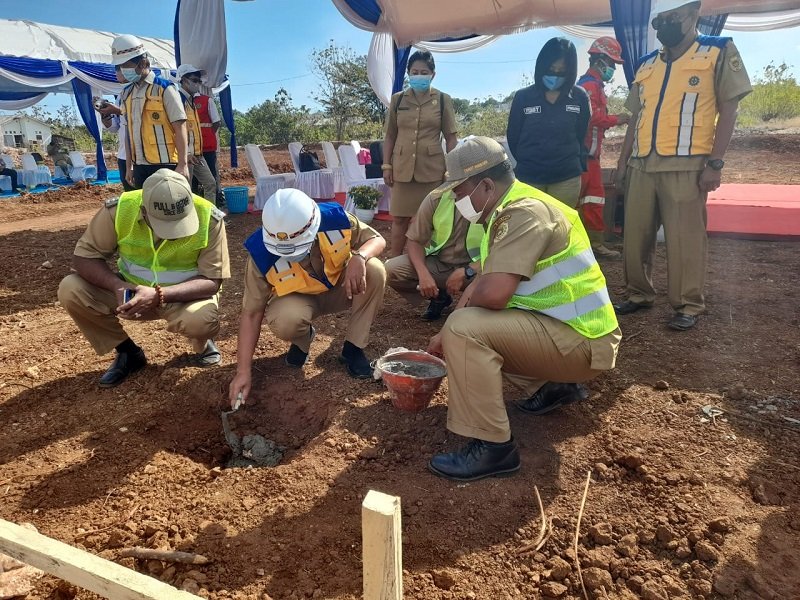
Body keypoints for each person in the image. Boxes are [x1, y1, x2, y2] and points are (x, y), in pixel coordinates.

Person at [424, 137, 621, 481]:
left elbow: (495, 293)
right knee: (465, 324)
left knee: (467, 329)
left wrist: (452, 329)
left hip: (582, 341)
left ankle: (492, 446)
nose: (456, 200)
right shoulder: (507, 209)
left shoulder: (523, 213)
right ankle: (549, 387)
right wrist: (446, 330)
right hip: (567, 331)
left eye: (459, 192)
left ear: (485, 185)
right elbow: (483, 280)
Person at [613, 0, 752, 331]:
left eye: (673, 17)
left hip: (687, 164)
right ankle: (637, 294)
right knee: (635, 237)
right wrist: (622, 164)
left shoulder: (717, 51)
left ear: (694, 14)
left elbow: (729, 109)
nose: (665, 25)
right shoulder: (646, 64)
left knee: (684, 239)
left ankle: (687, 304)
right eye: (660, 20)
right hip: (641, 164)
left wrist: (715, 163)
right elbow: (636, 117)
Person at [57, 169, 230, 388]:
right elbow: (84, 257)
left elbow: (212, 280)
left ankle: (203, 344)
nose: (173, 233)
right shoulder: (119, 210)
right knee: (71, 289)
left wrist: (159, 295)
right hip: (129, 293)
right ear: (143, 211)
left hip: (183, 298)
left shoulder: (208, 217)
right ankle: (128, 352)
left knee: (202, 319)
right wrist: (117, 286)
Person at [228, 189, 386, 407]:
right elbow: (252, 313)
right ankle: (303, 339)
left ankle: (353, 348)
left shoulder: (335, 220)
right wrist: (243, 371)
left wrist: (360, 256)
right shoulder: (260, 254)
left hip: (341, 288)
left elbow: (376, 239)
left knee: (375, 270)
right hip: (298, 300)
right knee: (285, 320)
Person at [382, 50, 458, 257]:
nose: (419, 76)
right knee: (399, 219)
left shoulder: (443, 100)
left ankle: (426, 262)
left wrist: (451, 170)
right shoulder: (398, 100)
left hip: (432, 171)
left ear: (433, 74)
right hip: (401, 168)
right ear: (408, 73)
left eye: (424, 72)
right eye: (414, 72)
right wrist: (386, 165)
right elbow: (389, 136)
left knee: (429, 220)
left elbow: (451, 137)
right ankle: (395, 258)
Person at [506, 38, 590, 208]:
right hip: (529, 178)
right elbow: (513, 137)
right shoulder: (523, 97)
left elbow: (582, 134)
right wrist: (530, 161)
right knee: (530, 229)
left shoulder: (579, 97)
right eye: (551, 69)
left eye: (562, 71)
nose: (555, 75)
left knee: (561, 229)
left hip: (566, 178)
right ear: (541, 67)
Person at [384, 189, 484, 321]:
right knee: (390, 269)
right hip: (441, 264)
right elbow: (415, 240)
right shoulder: (437, 197)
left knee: (496, 287)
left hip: (479, 270)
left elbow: (500, 253)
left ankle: (475, 308)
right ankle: (439, 297)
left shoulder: (491, 198)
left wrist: (469, 270)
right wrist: (423, 274)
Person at [112, 34, 189, 189]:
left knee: (167, 211)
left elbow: (180, 127)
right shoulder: (126, 94)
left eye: (125, 66)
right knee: (145, 211)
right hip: (139, 166)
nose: (121, 71)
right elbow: (127, 134)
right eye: (118, 67)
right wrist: (129, 167)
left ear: (142, 63)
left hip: (166, 165)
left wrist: (183, 164)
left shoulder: (165, 89)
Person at [577, 37, 630, 260]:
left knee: (595, 200)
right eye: (612, 64)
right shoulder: (588, 85)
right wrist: (620, 118)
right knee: (580, 202)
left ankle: (595, 245)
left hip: (592, 158)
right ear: (600, 60)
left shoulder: (596, 85)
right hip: (582, 157)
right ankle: (579, 247)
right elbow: (594, 118)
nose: (613, 69)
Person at [175, 64, 219, 204]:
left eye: (199, 81)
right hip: (187, 155)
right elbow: (175, 129)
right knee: (187, 188)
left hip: (197, 154)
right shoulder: (178, 99)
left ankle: (210, 217)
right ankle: (190, 219)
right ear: (183, 80)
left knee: (210, 183)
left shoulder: (191, 100)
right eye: (194, 80)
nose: (198, 84)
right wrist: (186, 153)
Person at [193, 82, 226, 207]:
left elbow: (216, 122)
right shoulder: (182, 100)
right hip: (192, 147)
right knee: (193, 179)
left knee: (211, 175)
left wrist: (208, 134)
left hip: (207, 145)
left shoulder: (207, 100)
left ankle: (215, 203)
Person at [97, 85, 134, 192]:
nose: (119, 72)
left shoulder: (152, 90)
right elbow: (113, 127)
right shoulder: (121, 96)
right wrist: (105, 114)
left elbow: (139, 117)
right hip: (124, 156)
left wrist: (118, 111)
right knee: (130, 193)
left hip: (142, 156)